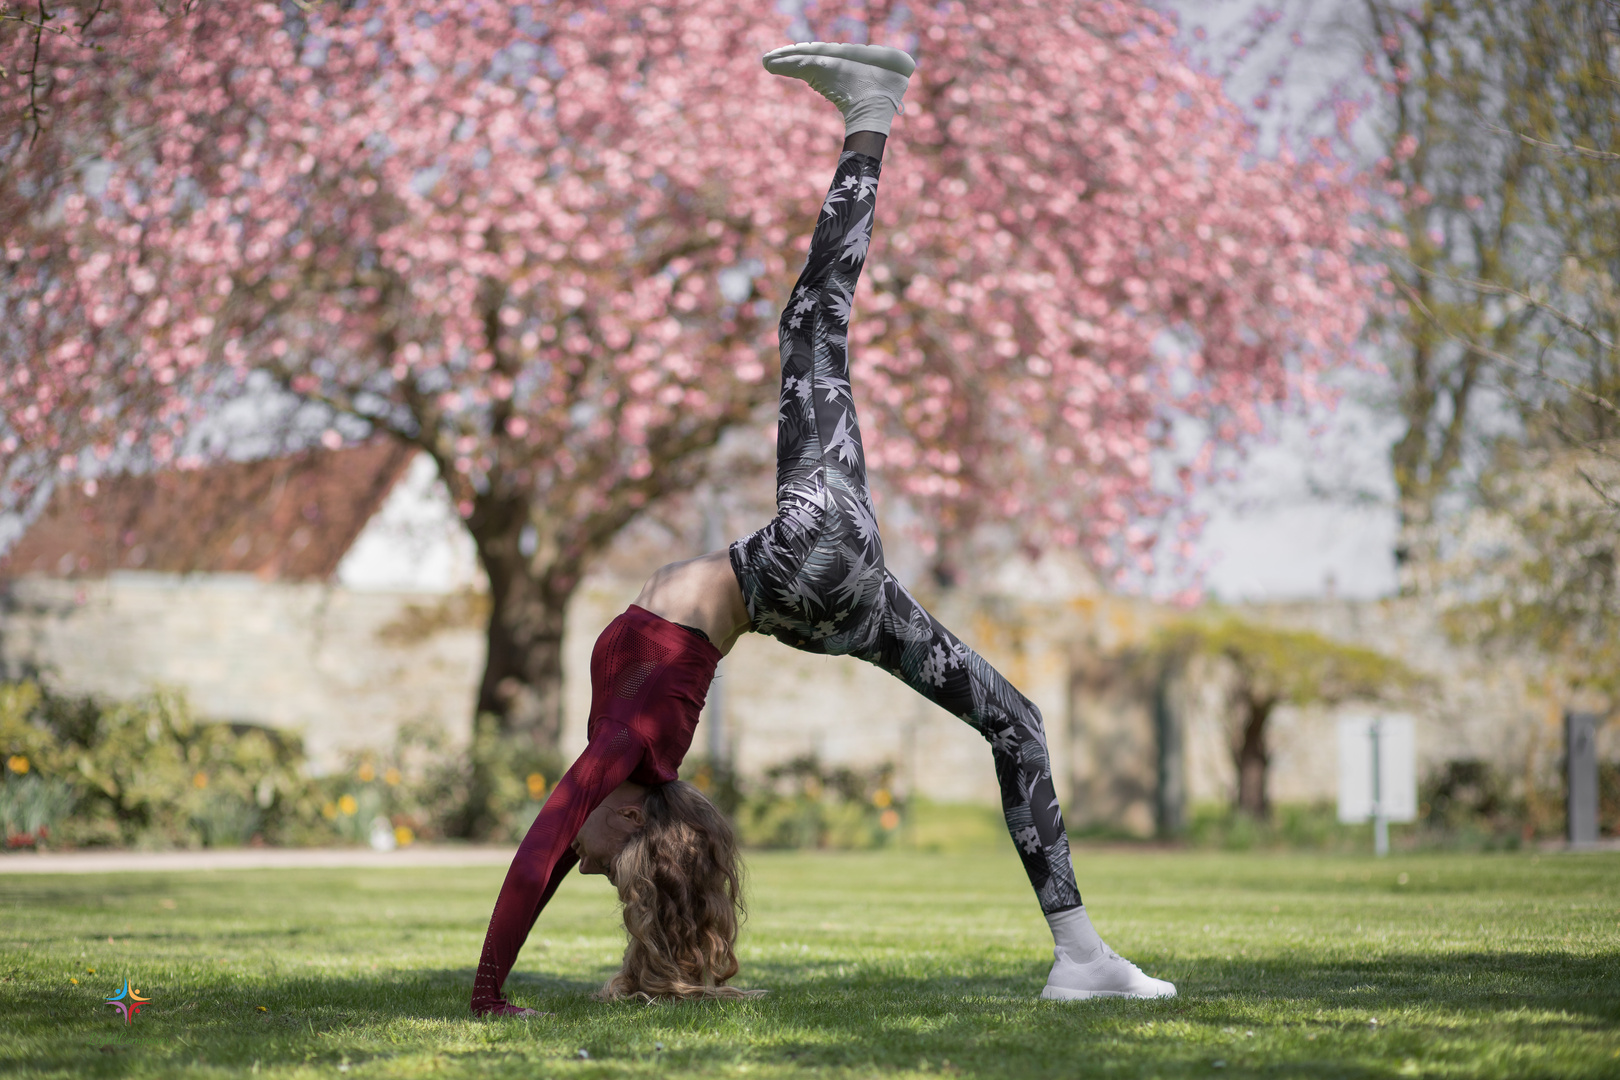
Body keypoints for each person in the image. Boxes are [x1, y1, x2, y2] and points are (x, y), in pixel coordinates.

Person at [470, 41, 1176, 1015]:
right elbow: (542, 852)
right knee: (814, 325)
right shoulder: (627, 753)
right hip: (805, 568)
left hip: (819, 605)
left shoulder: (622, 769)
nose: (581, 868)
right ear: (628, 815)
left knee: (1016, 722)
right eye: (605, 862)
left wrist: (494, 988)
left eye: (591, 865)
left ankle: (1084, 955)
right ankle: (871, 116)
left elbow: (552, 852)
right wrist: (485, 991)